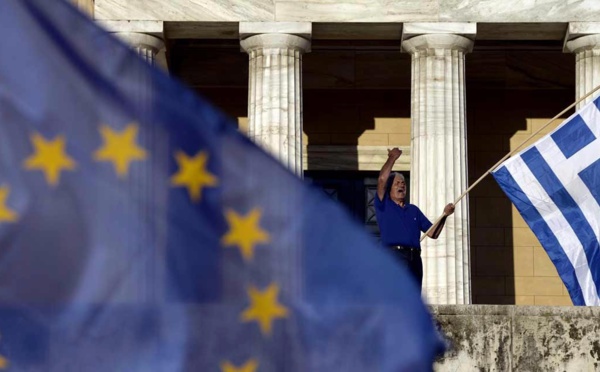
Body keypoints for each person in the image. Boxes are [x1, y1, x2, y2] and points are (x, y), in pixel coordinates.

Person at [375, 147, 455, 291]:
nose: (402, 185)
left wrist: (444, 215)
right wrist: (392, 158)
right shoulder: (384, 205)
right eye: (397, 183)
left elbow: (433, 233)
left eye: (403, 183)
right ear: (389, 189)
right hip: (394, 255)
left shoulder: (413, 210)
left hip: (414, 258)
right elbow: (382, 180)